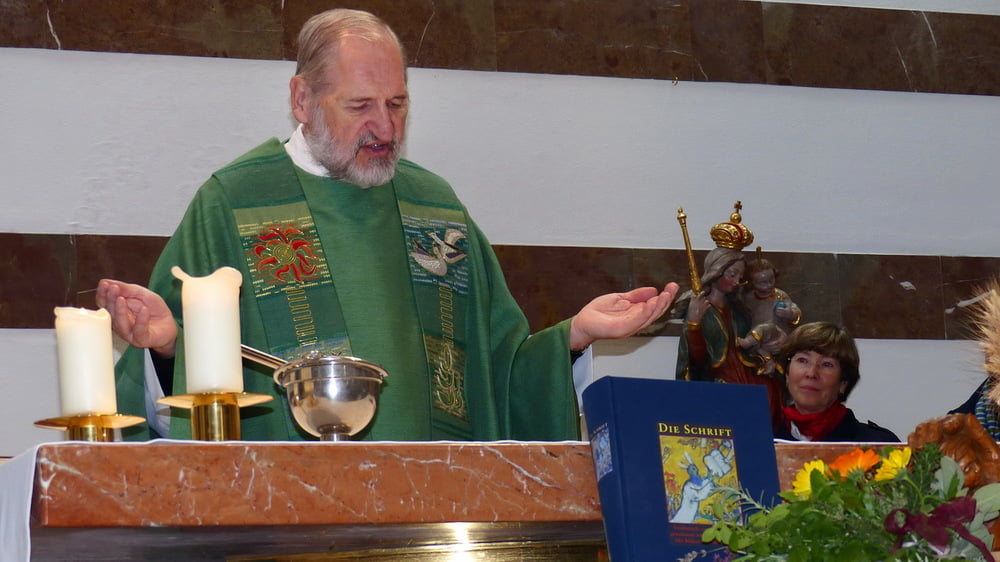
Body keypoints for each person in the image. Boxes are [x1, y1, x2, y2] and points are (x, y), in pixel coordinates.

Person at [96, 8, 678, 442]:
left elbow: (497, 374)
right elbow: (176, 369)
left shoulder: (435, 207)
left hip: (433, 515)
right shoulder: (236, 202)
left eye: (397, 104)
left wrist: (575, 335)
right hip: (287, 519)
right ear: (302, 99)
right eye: (360, 106)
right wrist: (166, 347)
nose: (386, 128)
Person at [674, 247, 786, 431]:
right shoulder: (700, 308)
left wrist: (767, 353)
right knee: (738, 399)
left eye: (740, 276)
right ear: (716, 271)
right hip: (717, 373)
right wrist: (694, 324)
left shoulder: (737, 308)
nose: (736, 281)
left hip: (745, 365)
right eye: (732, 274)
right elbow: (697, 360)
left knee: (772, 386)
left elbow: (750, 339)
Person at [775, 321, 899, 442]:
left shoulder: (879, 445)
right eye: (803, 360)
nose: (811, 373)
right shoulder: (766, 439)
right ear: (787, 374)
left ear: (843, 383)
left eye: (827, 364)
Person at [738, 253, 802, 376]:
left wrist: (790, 314)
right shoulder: (749, 298)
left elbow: (796, 312)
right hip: (758, 339)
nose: (769, 285)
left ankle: (750, 343)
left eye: (771, 280)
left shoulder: (780, 296)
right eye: (762, 283)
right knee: (759, 345)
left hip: (777, 334)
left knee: (766, 327)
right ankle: (769, 362)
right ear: (752, 283)